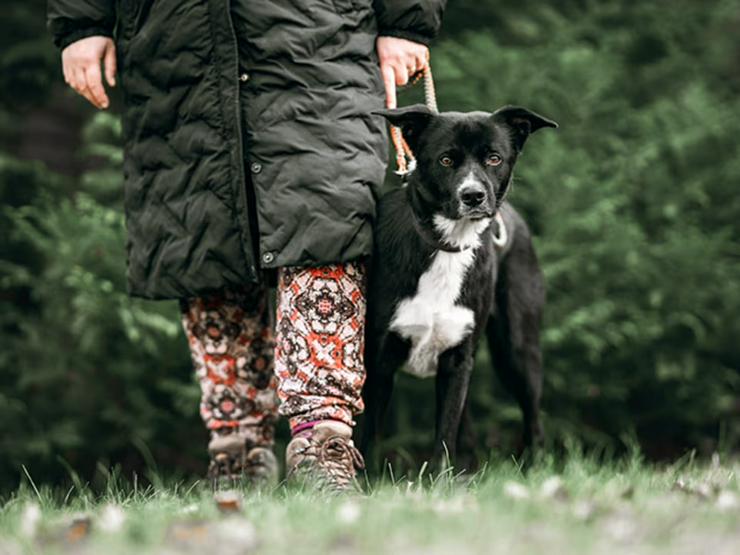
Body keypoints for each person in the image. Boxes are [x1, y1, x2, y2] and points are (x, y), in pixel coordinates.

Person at [48, 0, 446, 491]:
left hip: (320, 40)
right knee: (203, 234)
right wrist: (80, 23)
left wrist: (408, 20)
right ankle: (237, 453)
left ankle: (323, 444)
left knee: (327, 221)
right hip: (175, 51)